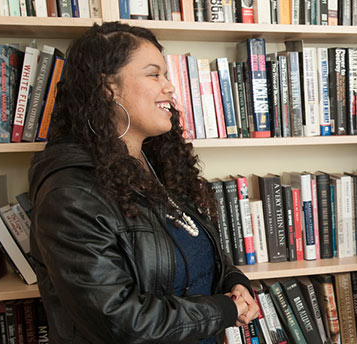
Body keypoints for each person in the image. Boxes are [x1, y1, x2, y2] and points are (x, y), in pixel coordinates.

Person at [28, 22, 259, 343]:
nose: (170, 87)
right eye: (154, 75)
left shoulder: (160, 165)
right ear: (107, 88)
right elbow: (121, 321)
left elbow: (200, 255)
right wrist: (224, 311)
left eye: (166, 75)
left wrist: (235, 284)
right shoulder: (69, 194)